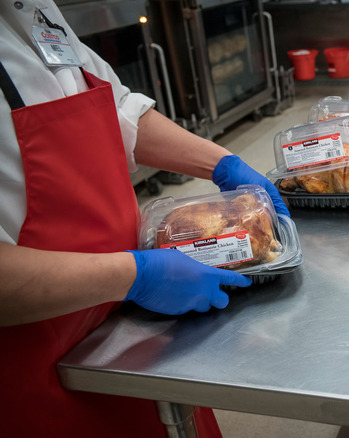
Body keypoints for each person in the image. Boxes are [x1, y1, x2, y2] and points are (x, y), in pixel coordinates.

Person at [0, 2, 289, 437]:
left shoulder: (33, 9)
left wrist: (222, 163)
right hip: (36, 365)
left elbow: (117, 111)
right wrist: (137, 275)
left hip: (129, 330)